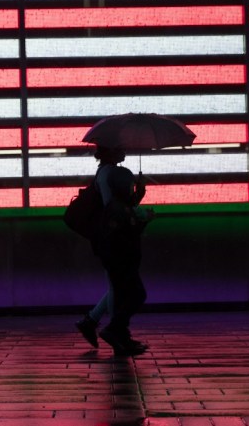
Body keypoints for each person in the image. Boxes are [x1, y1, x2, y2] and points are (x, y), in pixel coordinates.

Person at [75, 146, 150, 350]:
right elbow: (113, 207)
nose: (124, 149)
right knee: (125, 290)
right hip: (115, 240)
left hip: (109, 239)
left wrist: (138, 195)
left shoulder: (104, 172)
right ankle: (116, 333)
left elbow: (115, 206)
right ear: (111, 151)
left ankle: (95, 323)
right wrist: (137, 212)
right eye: (119, 146)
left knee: (117, 286)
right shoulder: (111, 173)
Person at [89, 164, 154, 357]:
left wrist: (139, 195)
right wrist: (145, 220)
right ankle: (114, 330)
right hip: (123, 262)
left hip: (120, 261)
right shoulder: (119, 209)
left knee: (126, 297)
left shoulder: (117, 206)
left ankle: (121, 337)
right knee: (136, 295)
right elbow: (127, 231)